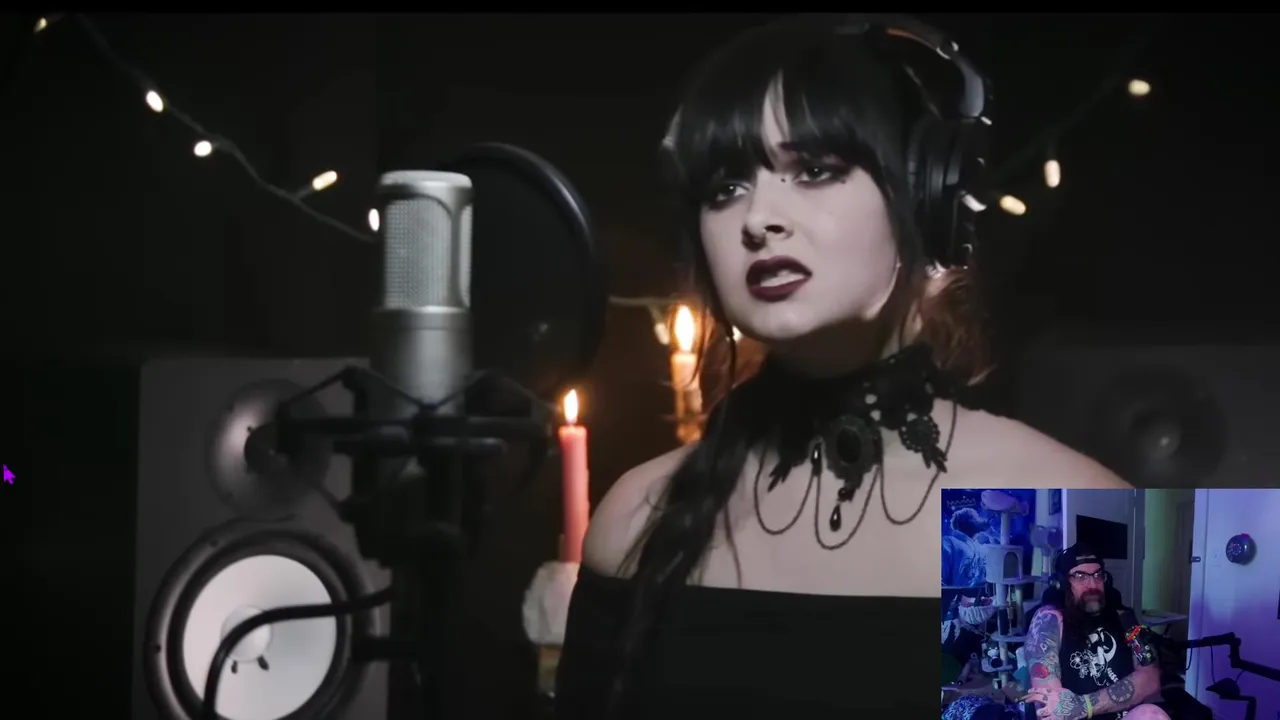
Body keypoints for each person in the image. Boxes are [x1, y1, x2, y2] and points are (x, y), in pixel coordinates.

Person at [556, 13, 1130, 718]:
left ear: (924, 195)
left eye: (814, 170)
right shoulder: (636, 517)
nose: (758, 219)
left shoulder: (1075, 521)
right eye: (725, 188)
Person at [1021, 544, 1169, 720]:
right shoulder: (1049, 620)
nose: (1092, 585)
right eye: (1080, 576)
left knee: (1152, 715)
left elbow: (1150, 678)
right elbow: (1051, 706)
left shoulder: (1124, 618)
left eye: (1098, 575)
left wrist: (1085, 705)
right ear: (1062, 584)